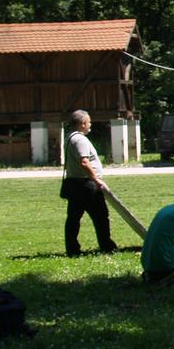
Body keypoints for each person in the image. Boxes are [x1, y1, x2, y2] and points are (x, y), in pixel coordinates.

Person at [60, 109, 118, 256]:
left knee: (73, 218)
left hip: (74, 184)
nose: (90, 124)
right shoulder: (80, 139)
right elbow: (84, 162)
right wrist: (96, 179)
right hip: (85, 185)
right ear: (83, 123)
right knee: (101, 217)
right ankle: (106, 246)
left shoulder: (70, 137)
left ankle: (72, 249)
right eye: (89, 121)